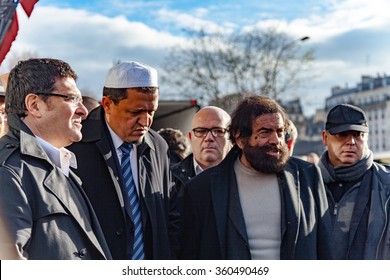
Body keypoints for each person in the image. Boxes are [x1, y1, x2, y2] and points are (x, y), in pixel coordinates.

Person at [180, 95, 333, 260]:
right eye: (265, 132)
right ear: (239, 138)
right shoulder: (202, 188)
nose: (276, 140)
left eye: (280, 132)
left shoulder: (307, 175)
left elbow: (325, 247)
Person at [0, 58, 112, 259]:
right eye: (71, 99)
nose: (84, 111)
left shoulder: (57, 164)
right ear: (34, 105)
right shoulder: (8, 172)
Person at [68, 61, 179, 260]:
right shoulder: (75, 144)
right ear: (108, 104)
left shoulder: (158, 147)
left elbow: (169, 216)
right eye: (135, 112)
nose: (146, 122)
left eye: (151, 111)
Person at [318, 103, 390, 259]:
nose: (351, 141)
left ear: (366, 137)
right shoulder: (306, 184)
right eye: (342, 134)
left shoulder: (387, 185)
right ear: (325, 137)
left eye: (358, 135)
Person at [171, 106, 232, 186]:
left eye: (218, 131)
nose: (209, 138)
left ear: (232, 138)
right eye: (201, 131)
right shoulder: (168, 178)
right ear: (190, 137)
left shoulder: (247, 178)